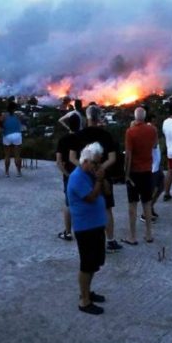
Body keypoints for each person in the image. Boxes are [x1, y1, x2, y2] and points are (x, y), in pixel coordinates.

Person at [70, 105, 122, 253]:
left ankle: (89, 240)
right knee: (107, 208)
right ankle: (110, 241)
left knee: (86, 205)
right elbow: (112, 158)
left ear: (87, 117)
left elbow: (72, 157)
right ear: (99, 117)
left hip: (83, 177)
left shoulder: (78, 135)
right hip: (103, 176)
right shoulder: (106, 135)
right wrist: (99, 169)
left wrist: (85, 168)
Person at [67, 143, 110, 315]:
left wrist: (102, 178)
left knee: (95, 263)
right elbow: (92, 197)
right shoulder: (77, 177)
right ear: (84, 161)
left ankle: (88, 292)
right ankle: (84, 300)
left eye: (98, 163)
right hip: (85, 228)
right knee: (86, 265)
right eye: (94, 163)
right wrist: (99, 180)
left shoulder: (91, 173)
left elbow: (106, 192)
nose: (96, 166)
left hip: (97, 225)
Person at [123, 107, 158, 245]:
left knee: (132, 205)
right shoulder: (153, 130)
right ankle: (149, 234)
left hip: (134, 173)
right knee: (147, 203)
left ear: (135, 117)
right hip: (147, 171)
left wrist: (126, 174)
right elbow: (155, 145)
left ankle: (132, 237)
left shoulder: (130, 132)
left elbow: (128, 155)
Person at [56, 114, 82, 242]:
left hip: (69, 176)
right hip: (83, 175)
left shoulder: (63, 140)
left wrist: (67, 174)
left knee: (68, 204)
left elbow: (58, 162)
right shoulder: (82, 138)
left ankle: (67, 232)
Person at [1, 101, 24, 177]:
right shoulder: (18, 115)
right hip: (17, 135)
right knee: (17, 155)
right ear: (14, 108)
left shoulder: (4, 116)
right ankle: (18, 172)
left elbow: (1, 124)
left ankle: (7, 172)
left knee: (7, 155)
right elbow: (21, 122)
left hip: (7, 135)